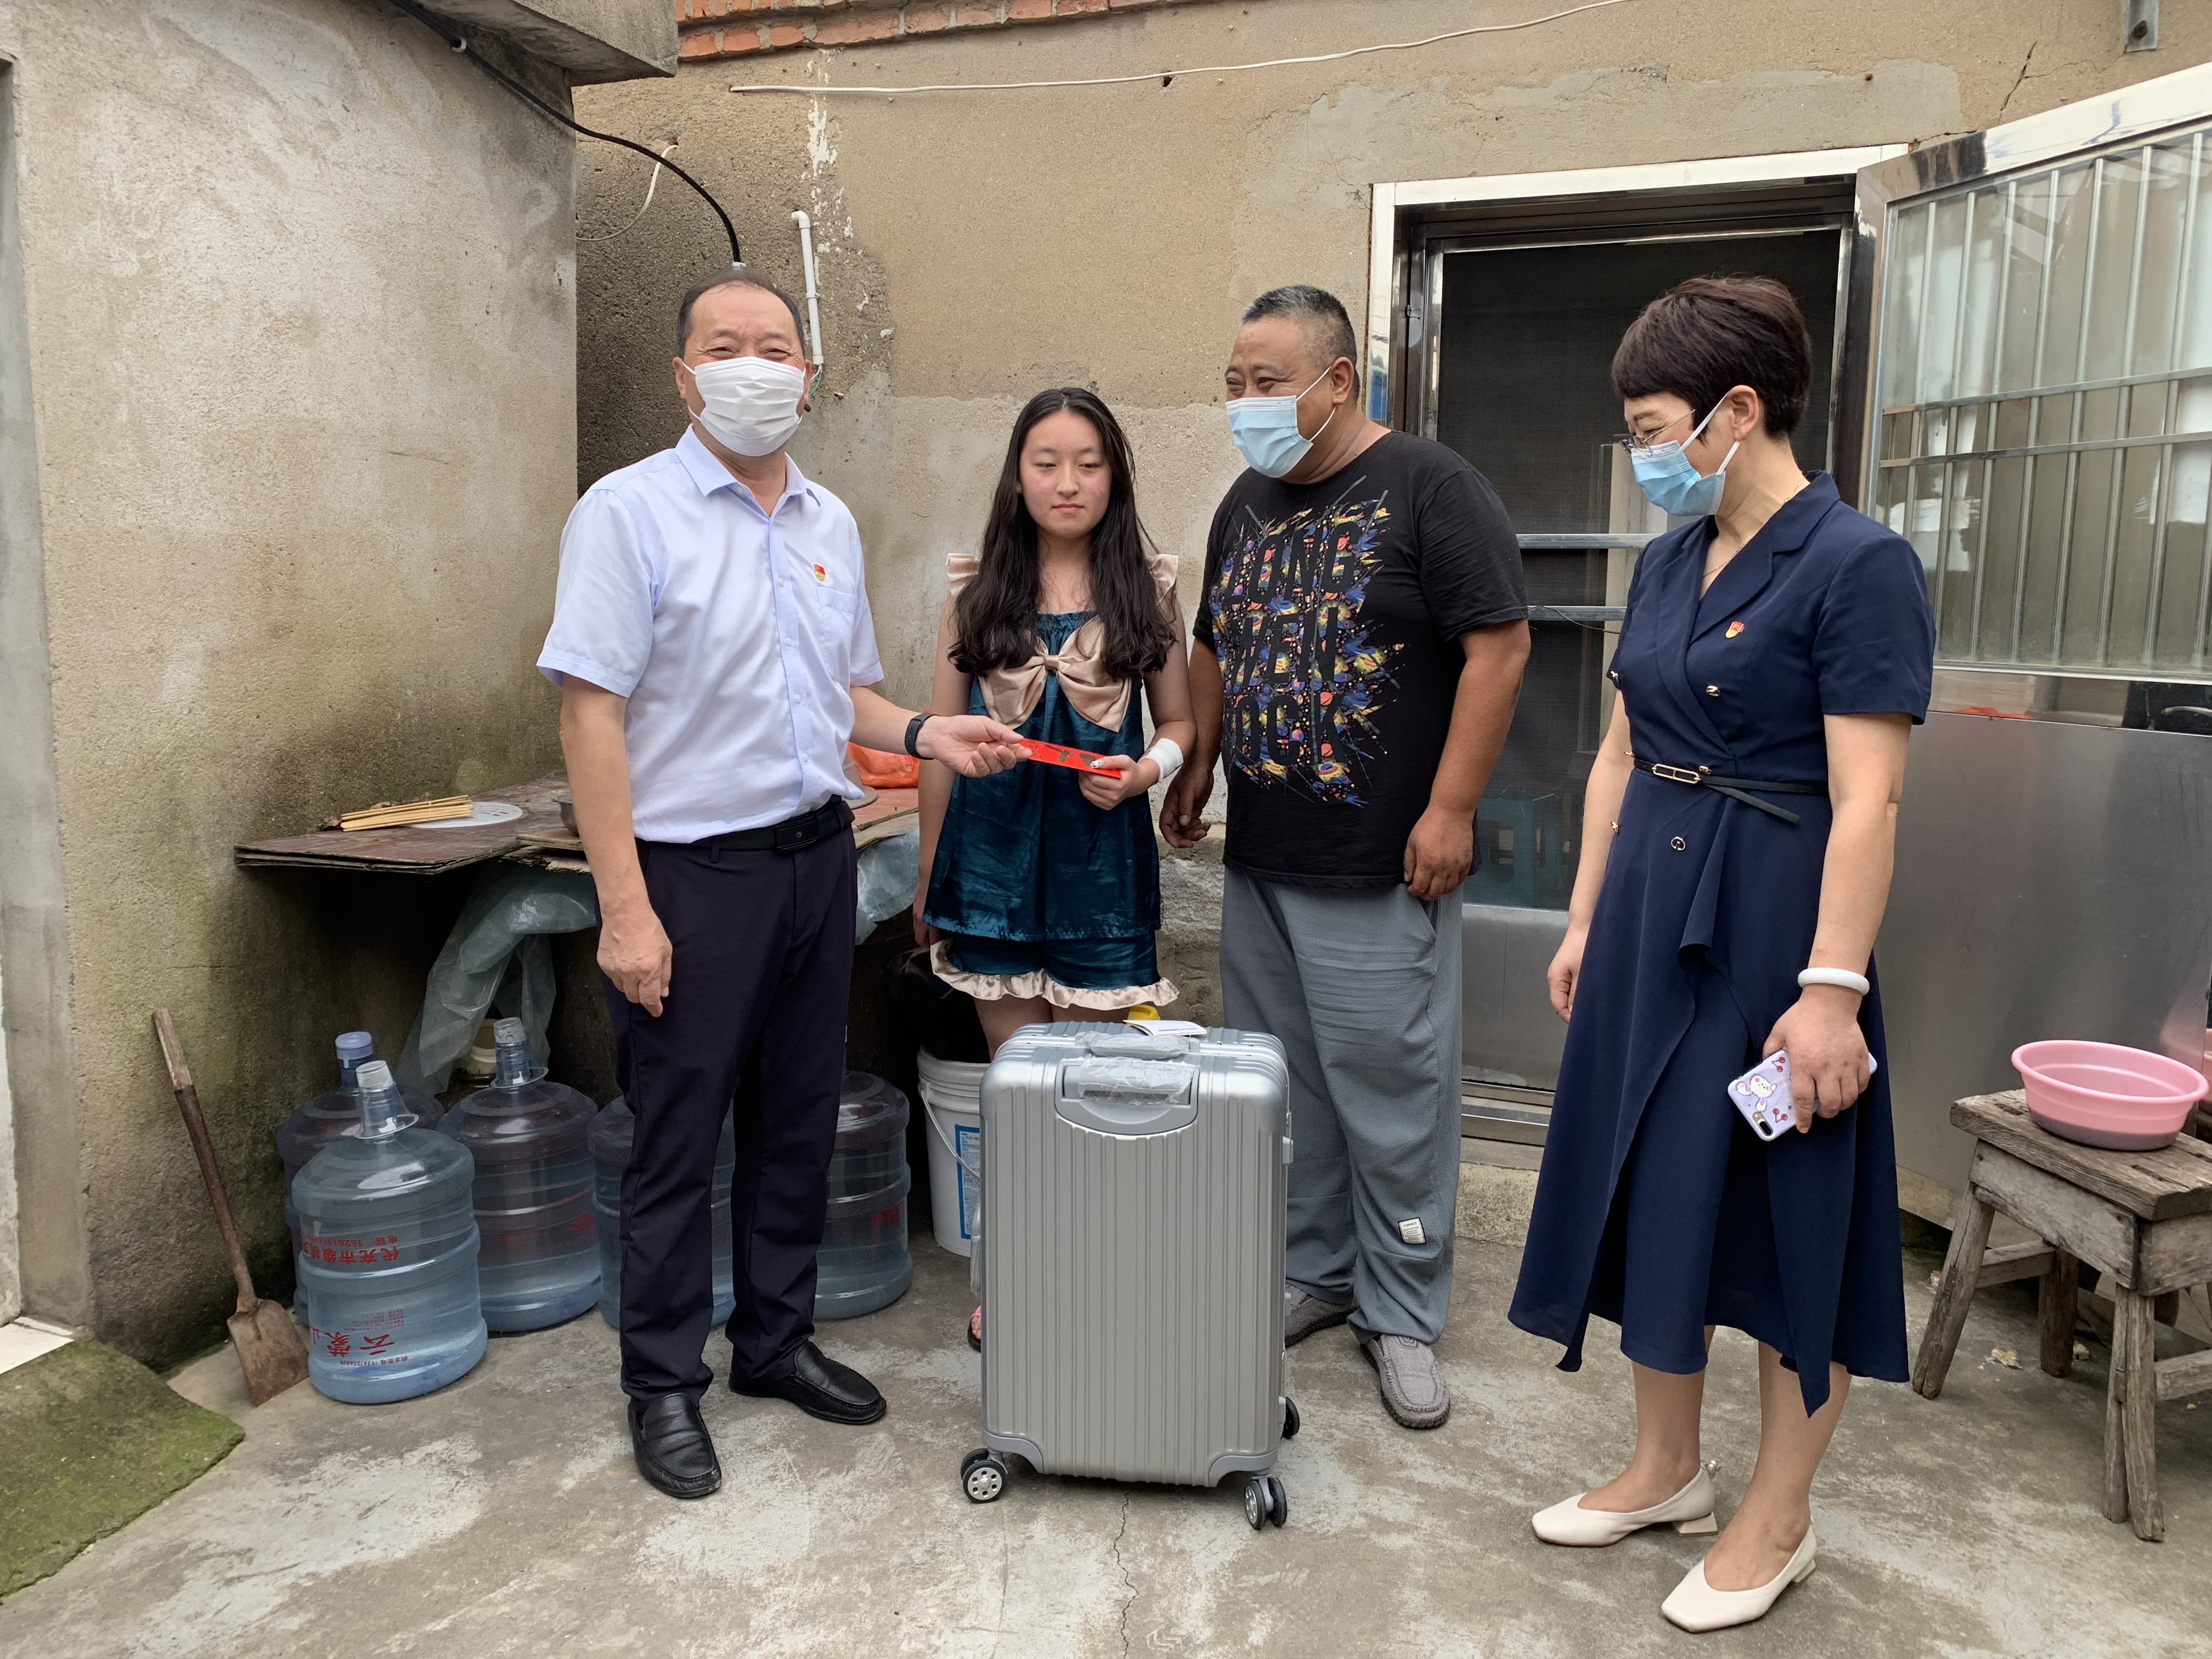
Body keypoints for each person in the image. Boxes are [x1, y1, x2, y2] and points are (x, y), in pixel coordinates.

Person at [540, 267, 1025, 1502]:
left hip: (817, 860)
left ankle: (773, 1341)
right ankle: (662, 1382)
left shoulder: (827, 522)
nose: (753, 366)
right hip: (692, 876)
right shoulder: (626, 514)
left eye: (776, 347)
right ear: (683, 375)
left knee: (798, 1120)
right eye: (726, 346)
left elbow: (843, 695)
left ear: (807, 376)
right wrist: (626, 909)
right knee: (677, 1136)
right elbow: (590, 716)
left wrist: (929, 732)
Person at [1505, 276, 1934, 1633]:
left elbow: (1870, 798)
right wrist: (1585, 917)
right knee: (1652, 1182)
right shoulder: (1667, 563)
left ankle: (1779, 1514)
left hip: (1775, 928)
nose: (1644, 456)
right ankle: (1666, 1468)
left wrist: (1832, 991)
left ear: (1737, 412)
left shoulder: (1858, 564)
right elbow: (1619, 753)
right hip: (1649, 905)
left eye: (1653, 428)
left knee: (1787, 1210)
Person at [1160, 285, 1530, 1430]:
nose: (1246, 402)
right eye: (1234, 382)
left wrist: (1452, 807)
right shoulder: (1245, 503)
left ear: (1337, 382)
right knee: (1287, 1087)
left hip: (1383, 862)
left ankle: (1403, 1308)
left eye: (1268, 382)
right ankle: (1317, 1271)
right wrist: (1199, 763)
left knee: (1392, 1091)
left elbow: (1500, 649)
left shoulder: (1432, 487)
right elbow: (1214, 645)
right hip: (1265, 859)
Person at [914, 387, 1196, 1348]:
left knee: (1092, 1090)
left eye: (1088, 462)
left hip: (1100, 872)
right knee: (1021, 1091)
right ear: (1017, 475)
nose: (1067, 482)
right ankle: (1018, 1288)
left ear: (1115, 475)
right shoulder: (975, 592)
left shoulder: (1147, 589)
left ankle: (1095, 1286)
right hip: (989, 873)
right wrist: (929, 876)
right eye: (1046, 462)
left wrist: (1146, 773)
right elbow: (937, 742)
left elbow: (1181, 723)